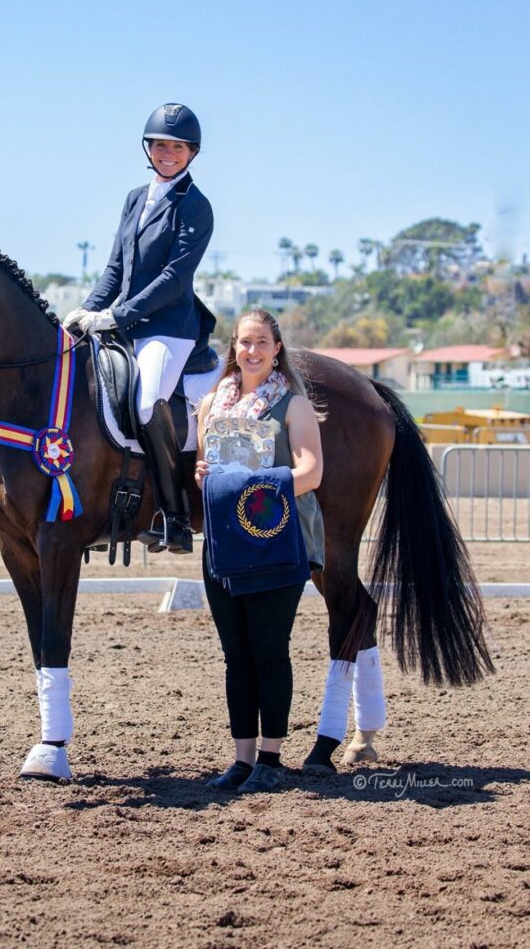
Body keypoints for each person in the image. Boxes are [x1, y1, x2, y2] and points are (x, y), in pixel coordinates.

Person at [65, 103, 215, 554]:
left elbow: (174, 279)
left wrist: (116, 316)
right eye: (160, 145)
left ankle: (175, 519)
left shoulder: (196, 206)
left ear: (192, 153)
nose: (167, 154)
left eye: (177, 147)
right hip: (127, 327)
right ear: (148, 149)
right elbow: (116, 268)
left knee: (148, 403)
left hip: (169, 330)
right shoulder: (134, 198)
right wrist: (86, 311)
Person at [195, 309, 324, 793]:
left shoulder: (294, 406)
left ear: (276, 350)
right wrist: (204, 476)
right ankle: (242, 760)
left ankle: (271, 758)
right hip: (224, 545)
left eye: (262, 342)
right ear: (234, 347)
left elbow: (312, 472)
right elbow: (205, 470)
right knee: (236, 656)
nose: (252, 351)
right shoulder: (211, 405)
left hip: (277, 544)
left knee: (270, 652)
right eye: (245, 342)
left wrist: (255, 483)